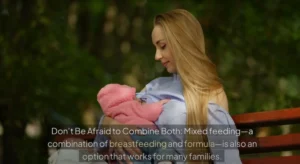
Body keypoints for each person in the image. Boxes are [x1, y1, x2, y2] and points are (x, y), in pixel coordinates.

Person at [94, 8, 242, 164]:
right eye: (156, 48)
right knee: (72, 145)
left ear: (183, 43)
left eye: (162, 46)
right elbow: (122, 111)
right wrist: (109, 124)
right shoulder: (154, 86)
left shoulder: (212, 94)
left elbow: (226, 157)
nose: (157, 56)